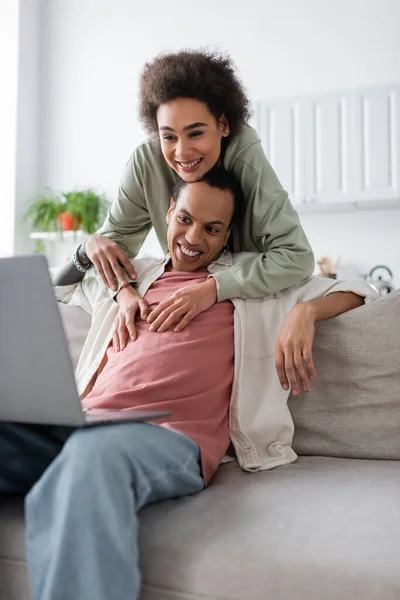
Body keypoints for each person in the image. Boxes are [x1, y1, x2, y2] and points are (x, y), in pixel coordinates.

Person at [2, 170, 374, 600]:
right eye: (184, 219)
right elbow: (57, 289)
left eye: (212, 228)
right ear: (167, 215)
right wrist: (90, 252)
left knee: (91, 458)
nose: (193, 236)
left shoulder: (253, 280)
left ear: (227, 234)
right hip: (86, 422)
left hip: (168, 437)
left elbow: (358, 288)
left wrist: (304, 313)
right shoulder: (132, 275)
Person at [71, 49, 316, 340]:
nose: (182, 152)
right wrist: (123, 292)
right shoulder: (146, 161)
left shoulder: (245, 154)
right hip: (178, 297)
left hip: (241, 305)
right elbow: (112, 249)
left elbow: (297, 257)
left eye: (196, 133)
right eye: (169, 136)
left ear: (224, 125)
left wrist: (213, 288)